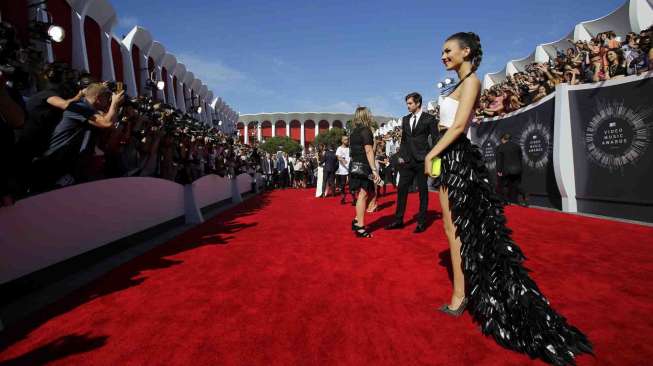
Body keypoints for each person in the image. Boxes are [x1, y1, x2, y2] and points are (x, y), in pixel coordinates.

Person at [423, 32, 591, 365]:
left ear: (465, 52)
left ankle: (460, 296)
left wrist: (431, 155)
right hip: (448, 158)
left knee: (457, 231)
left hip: (456, 159)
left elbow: (457, 128)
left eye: (447, 50)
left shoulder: (471, 82)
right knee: (449, 230)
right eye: (441, 51)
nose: (442, 56)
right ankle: (460, 292)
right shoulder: (454, 85)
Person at [385, 92, 439, 234]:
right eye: (407, 103)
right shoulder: (405, 119)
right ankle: (398, 220)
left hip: (422, 160)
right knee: (402, 189)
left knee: (423, 191)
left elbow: (435, 140)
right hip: (407, 161)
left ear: (418, 103)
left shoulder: (430, 119)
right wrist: (401, 156)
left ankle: (421, 222)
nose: (408, 106)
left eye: (410, 103)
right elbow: (404, 140)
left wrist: (431, 158)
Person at [349, 107, 381, 238]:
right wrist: (374, 170)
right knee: (363, 194)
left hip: (356, 165)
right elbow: (369, 151)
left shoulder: (353, 132)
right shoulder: (366, 131)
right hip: (364, 165)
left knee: (370, 193)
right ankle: (360, 227)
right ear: (366, 116)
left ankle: (357, 219)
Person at [495, 133, 528, 206]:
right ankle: (523, 195)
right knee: (516, 185)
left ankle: (506, 201)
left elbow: (499, 160)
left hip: (506, 170)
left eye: (501, 140)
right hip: (518, 169)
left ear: (503, 139)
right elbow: (520, 158)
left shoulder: (500, 147)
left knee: (504, 185)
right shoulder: (517, 146)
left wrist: (499, 171)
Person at [335, 135, 354, 204]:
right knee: (342, 185)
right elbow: (338, 157)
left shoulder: (350, 148)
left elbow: (352, 157)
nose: (347, 141)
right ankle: (343, 198)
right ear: (342, 141)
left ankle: (354, 199)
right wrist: (342, 160)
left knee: (351, 185)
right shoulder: (339, 148)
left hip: (350, 169)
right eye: (345, 140)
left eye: (347, 139)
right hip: (342, 170)